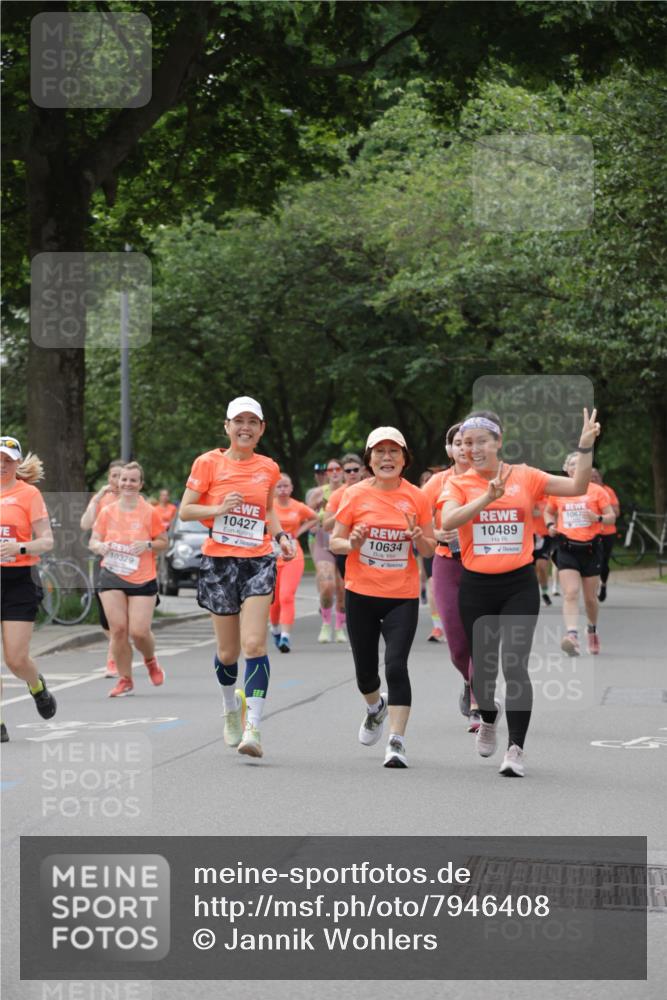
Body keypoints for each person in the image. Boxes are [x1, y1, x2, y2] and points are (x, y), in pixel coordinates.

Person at [440, 408, 601, 777]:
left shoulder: (525, 476)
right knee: (482, 671)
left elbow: (576, 487)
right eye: (466, 443)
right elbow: (447, 521)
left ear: (498, 442)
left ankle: (515, 749)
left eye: (481, 441)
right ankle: (489, 718)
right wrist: (485, 498)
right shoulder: (459, 483)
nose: (473, 449)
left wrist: (585, 446)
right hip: (476, 586)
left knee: (514, 664)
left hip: (518, 585)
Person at [179, 396, 294, 758]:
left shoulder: (269, 468)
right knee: (228, 654)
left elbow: (269, 510)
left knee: (255, 645)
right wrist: (217, 508)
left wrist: (281, 536)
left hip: (258, 560)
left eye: (252, 422)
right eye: (238, 421)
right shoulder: (208, 462)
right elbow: (185, 510)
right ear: (227, 426)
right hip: (219, 562)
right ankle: (231, 707)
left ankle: (253, 727)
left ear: (261, 429)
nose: (245, 427)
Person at [330, 427, 435, 769]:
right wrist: (353, 545)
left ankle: (396, 741)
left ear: (405, 459)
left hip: (400, 595)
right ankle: (375, 707)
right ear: (369, 459)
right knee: (365, 673)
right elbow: (336, 542)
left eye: (394, 452)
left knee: (396, 665)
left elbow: (430, 547)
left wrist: (419, 538)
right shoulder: (355, 495)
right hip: (360, 593)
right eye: (379, 452)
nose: (387, 458)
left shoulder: (417, 497)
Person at [90, 462, 168, 697]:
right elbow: (93, 540)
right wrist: (100, 546)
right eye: (124, 479)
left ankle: (150, 660)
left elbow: (164, 542)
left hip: (142, 577)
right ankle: (125, 679)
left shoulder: (149, 512)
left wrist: (147, 545)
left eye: (133, 480)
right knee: (119, 630)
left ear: (141, 484)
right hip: (112, 574)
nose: (128, 484)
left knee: (139, 632)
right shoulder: (107, 511)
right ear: (117, 482)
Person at [424, 423, 480, 730]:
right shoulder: (437, 482)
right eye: (458, 442)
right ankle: (468, 680)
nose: (464, 448)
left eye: (470, 442)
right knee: (458, 646)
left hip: (481, 564)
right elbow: (414, 516)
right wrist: (435, 531)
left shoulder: (488, 480)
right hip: (446, 561)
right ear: (450, 449)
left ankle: (477, 702)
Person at [0, 436, 57, 742]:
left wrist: (19, 547)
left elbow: (46, 540)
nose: (2, 465)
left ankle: (36, 685)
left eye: (8, 460)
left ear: (17, 463)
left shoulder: (29, 494)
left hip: (19, 580)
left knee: (15, 659)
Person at [544, 454, 615, 656]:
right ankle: (572, 635)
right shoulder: (559, 490)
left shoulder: (598, 491)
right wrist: (550, 525)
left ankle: (592, 629)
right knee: (571, 592)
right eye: (572, 464)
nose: (576, 467)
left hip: (591, 549)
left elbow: (611, 518)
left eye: (580, 463)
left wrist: (598, 517)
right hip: (566, 547)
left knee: (590, 599)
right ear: (567, 469)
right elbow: (549, 512)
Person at [80, 459, 124, 677]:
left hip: (127, 564)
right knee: (105, 618)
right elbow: (85, 524)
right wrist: (97, 498)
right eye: (113, 476)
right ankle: (120, 644)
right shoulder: (101, 499)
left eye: (120, 476)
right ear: (108, 477)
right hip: (104, 560)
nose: (116, 481)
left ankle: (113, 658)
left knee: (120, 617)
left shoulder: (133, 499)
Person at [269, 474, 317, 652]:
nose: (282, 490)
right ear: (273, 489)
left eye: (285, 486)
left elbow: (315, 517)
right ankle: (274, 629)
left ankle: (285, 637)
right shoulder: (268, 506)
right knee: (274, 602)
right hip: (271, 556)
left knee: (287, 596)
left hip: (292, 555)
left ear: (291, 488)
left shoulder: (298, 507)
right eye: (278, 486)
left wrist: (298, 531)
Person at [306, 458, 347, 642]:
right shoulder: (317, 493)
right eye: (331, 470)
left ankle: (340, 627)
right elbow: (307, 515)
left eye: (338, 468)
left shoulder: (351, 491)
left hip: (345, 541)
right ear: (327, 473)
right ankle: (325, 624)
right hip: (323, 540)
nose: (335, 472)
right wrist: (313, 524)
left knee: (343, 588)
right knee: (327, 585)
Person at [322, 453, 365, 581]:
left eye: (355, 470)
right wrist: (344, 511)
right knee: (351, 589)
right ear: (343, 473)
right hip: (346, 547)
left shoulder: (373, 490)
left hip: (368, 547)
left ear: (362, 470)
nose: (352, 473)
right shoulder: (337, 495)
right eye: (348, 470)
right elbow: (326, 525)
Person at [590, 469, 620, 603]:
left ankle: (603, 585)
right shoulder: (586, 491)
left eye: (596, 476)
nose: (593, 479)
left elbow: (616, 512)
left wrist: (603, 508)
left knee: (604, 563)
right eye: (591, 477)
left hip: (608, 532)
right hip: (592, 533)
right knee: (594, 561)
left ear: (601, 478)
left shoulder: (608, 491)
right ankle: (593, 588)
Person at [532, 498, 554, 607]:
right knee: (532, 570)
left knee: (542, 566)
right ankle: (533, 593)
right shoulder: (530, 496)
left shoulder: (549, 499)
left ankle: (545, 592)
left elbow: (554, 513)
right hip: (530, 536)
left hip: (545, 536)